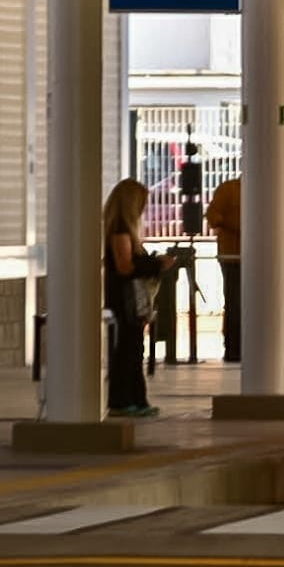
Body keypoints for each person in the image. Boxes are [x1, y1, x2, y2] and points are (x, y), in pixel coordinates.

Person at [103, 178, 175, 417]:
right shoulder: (120, 231)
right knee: (128, 349)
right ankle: (123, 401)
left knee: (134, 348)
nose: (144, 208)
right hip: (125, 300)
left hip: (128, 300)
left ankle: (135, 399)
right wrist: (155, 264)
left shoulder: (122, 231)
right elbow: (125, 267)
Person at [205, 175, 241, 363]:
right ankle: (233, 347)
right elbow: (213, 217)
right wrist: (239, 225)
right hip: (233, 257)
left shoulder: (265, 192)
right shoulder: (229, 190)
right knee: (235, 302)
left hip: (257, 258)